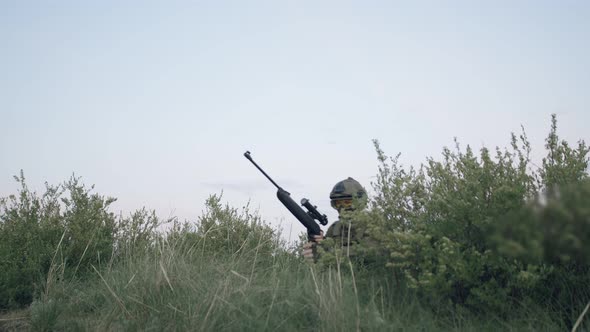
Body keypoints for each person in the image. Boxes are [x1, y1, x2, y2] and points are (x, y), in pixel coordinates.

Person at [303, 177, 368, 262]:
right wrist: (317, 248)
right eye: (337, 203)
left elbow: (370, 252)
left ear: (360, 202)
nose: (341, 208)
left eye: (347, 203)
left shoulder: (373, 225)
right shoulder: (335, 228)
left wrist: (327, 252)